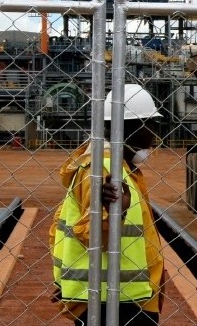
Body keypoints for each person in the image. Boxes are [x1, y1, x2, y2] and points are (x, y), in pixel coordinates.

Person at [50, 84, 166, 325]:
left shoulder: (119, 167)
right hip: (114, 302)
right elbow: (92, 237)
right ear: (128, 129)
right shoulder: (101, 170)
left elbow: (59, 228)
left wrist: (63, 280)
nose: (154, 136)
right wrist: (116, 213)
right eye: (150, 125)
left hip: (122, 296)